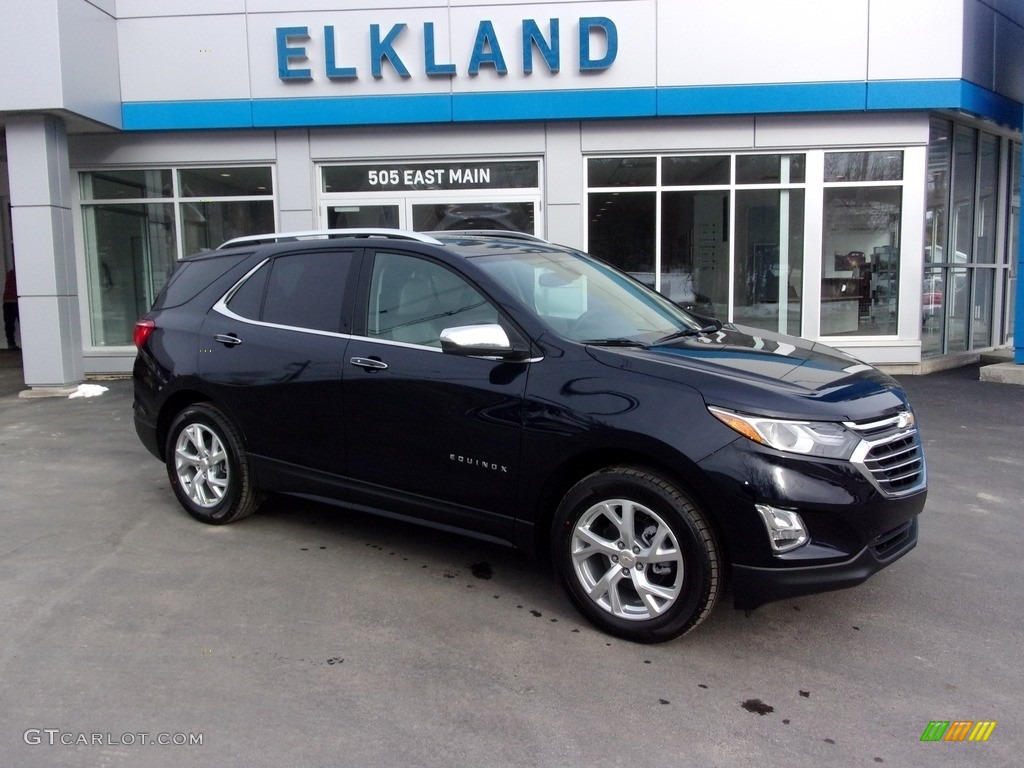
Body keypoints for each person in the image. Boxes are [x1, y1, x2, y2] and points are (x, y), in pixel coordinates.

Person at [4, 265, 18, 350]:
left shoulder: (10, 273)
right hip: (16, 301)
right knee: (23, 324)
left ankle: (11, 343)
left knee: (9, 324)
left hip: (7, 301)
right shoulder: (20, 275)